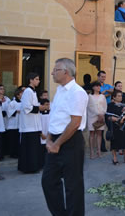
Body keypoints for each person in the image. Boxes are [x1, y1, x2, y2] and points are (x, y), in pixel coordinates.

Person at [42, 58, 88, 216]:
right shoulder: (60, 90)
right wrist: (49, 138)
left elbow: (75, 123)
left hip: (71, 141)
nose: (53, 73)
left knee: (73, 185)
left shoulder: (77, 92)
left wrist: (57, 144)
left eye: (56, 70)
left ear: (66, 72)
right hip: (56, 139)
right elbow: (56, 118)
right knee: (48, 181)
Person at [18, 72, 47, 173]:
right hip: (29, 125)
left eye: (38, 79)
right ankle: (28, 167)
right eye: (36, 79)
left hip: (34, 124)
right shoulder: (27, 92)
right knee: (29, 148)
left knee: (34, 148)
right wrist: (40, 107)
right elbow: (27, 107)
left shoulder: (33, 92)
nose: (38, 81)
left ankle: (34, 166)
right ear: (31, 80)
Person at [106, 90, 125, 164]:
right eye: (119, 96)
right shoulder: (110, 105)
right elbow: (108, 116)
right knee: (114, 143)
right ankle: (115, 158)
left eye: (121, 96)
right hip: (115, 126)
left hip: (124, 125)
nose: (120, 97)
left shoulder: (124, 105)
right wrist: (117, 119)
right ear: (114, 97)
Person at [87, 81, 107, 159]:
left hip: (101, 117)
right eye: (96, 86)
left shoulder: (102, 96)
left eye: (99, 86)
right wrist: (97, 113)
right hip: (92, 116)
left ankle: (99, 151)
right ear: (93, 87)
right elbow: (90, 107)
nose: (98, 87)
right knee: (92, 134)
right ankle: (92, 151)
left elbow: (105, 106)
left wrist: (102, 114)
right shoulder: (90, 96)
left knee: (99, 134)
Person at [5, 87, 22, 158]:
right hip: (13, 124)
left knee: (18, 140)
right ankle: (12, 153)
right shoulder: (12, 103)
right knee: (13, 140)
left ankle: (18, 153)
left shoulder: (23, 102)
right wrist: (16, 111)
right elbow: (9, 112)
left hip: (20, 124)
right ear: (17, 95)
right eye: (21, 93)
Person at [39, 98, 51, 168]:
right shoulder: (38, 114)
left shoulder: (51, 113)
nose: (48, 106)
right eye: (46, 105)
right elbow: (37, 124)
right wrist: (40, 134)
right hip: (42, 135)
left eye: (48, 104)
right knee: (42, 151)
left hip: (49, 134)